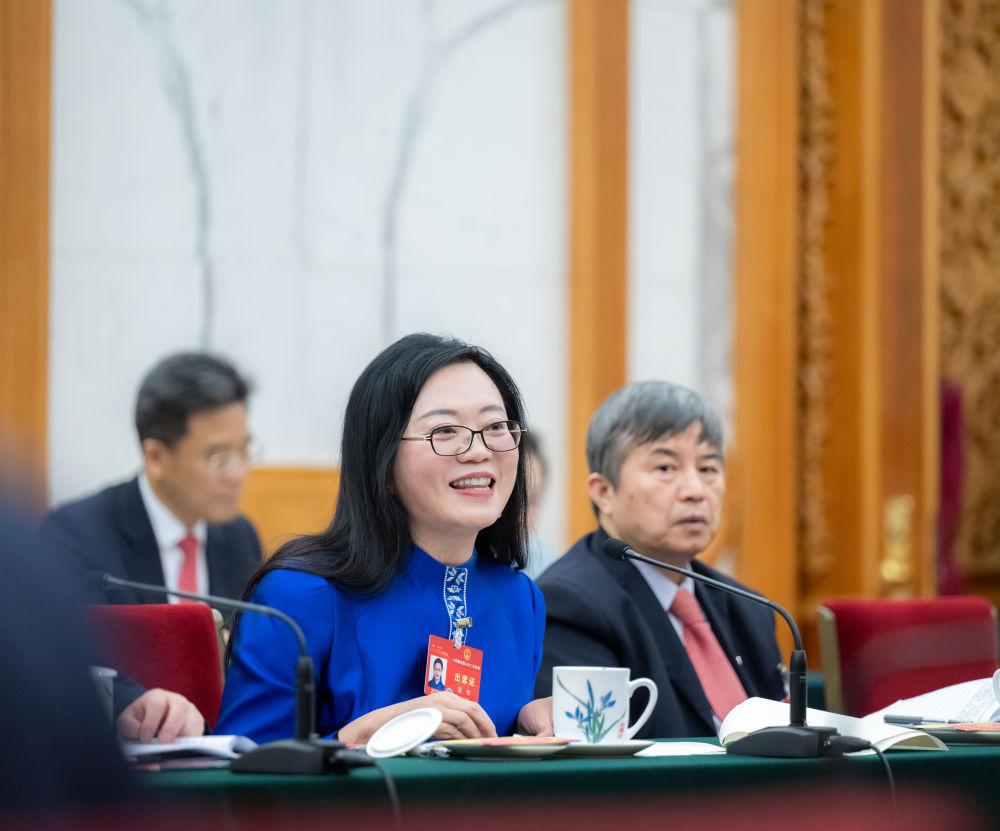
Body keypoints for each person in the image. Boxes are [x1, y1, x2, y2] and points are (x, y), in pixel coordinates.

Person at [217, 333, 551, 743]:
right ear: (384, 462)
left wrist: (530, 722)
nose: (478, 451)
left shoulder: (520, 599)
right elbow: (242, 764)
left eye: (496, 426)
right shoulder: (300, 595)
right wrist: (361, 738)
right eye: (445, 430)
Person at [535, 381, 785, 738]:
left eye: (708, 469)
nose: (695, 491)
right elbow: (594, 754)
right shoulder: (571, 604)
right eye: (666, 468)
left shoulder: (748, 608)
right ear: (604, 492)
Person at [39, 352, 262, 607]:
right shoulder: (76, 539)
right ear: (155, 457)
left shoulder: (241, 538)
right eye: (218, 457)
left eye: (244, 450)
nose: (237, 474)